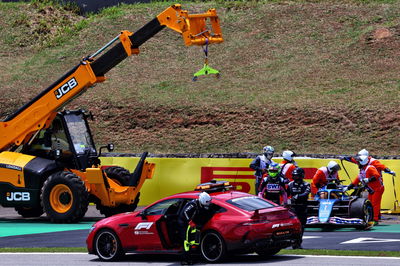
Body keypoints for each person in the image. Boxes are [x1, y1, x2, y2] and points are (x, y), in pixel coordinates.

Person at [344, 155, 384, 225]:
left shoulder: (370, 168)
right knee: (370, 203)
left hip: (378, 188)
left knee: (375, 204)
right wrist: (348, 187)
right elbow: (356, 181)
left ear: (362, 162)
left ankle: (375, 219)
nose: (357, 163)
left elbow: (377, 175)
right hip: (371, 189)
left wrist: (369, 179)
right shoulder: (362, 171)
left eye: (358, 162)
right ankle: (371, 218)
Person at [178, 192, 213, 265]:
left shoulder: (202, 204)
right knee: (186, 241)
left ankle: (192, 256)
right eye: (207, 202)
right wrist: (190, 221)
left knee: (193, 241)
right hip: (184, 223)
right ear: (203, 200)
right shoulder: (193, 204)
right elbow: (185, 212)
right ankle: (185, 260)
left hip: (192, 224)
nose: (209, 203)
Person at [287, 167, 310, 249]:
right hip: (293, 209)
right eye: (294, 176)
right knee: (293, 226)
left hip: (302, 207)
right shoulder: (290, 184)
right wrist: (287, 201)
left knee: (302, 226)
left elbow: (306, 194)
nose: (295, 177)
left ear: (301, 176)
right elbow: (285, 195)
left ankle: (298, 243)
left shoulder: (306, 184)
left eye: (297, 176)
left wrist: (297, 196)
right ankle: (293, 242)